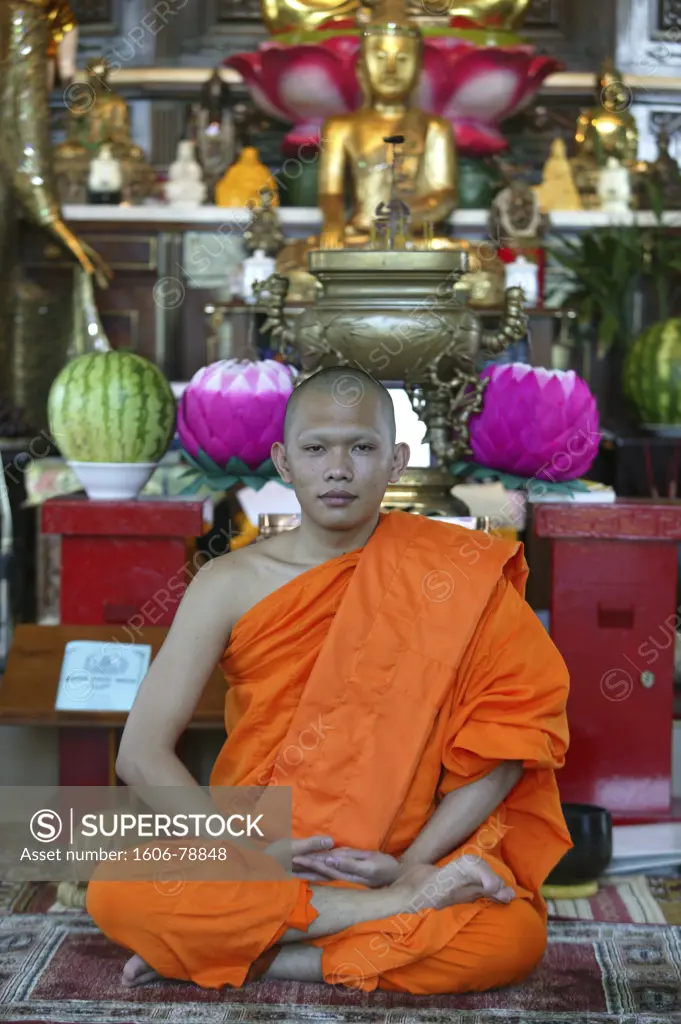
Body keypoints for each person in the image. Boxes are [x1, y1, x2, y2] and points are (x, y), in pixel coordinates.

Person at [86, 366, 571, 994]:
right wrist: (244, 854)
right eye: (316, 449)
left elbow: (507, 748)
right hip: (258, 854)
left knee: (512, 939)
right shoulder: (228, 582)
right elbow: (141, 752)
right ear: (284, 462)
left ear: (396, 461)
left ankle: (251, 952)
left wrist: (408, 865)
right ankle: (368, 921)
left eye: (361, 447)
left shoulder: (456, 572)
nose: (337, 468)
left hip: (397, 856)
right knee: (117, 889)